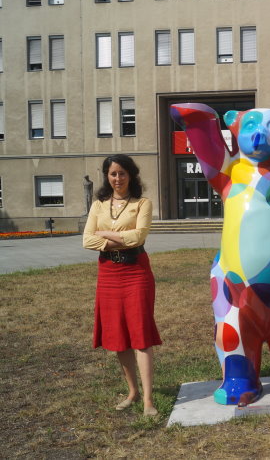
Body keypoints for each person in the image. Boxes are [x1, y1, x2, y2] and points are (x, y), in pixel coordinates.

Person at [83, 154, 161, 416]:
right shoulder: (98, 206)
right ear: (107, 176)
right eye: (113, 173)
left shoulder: (142, 203)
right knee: (118, 336)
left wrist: (103, 234)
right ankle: (133, 392)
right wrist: (114, 240)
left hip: (136, 272)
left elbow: (139, 236)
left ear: (131, 175)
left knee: (140, 334)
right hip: (108, 274)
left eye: (122, 173)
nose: (118, 178)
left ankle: (148, 400)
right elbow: (86, 240)